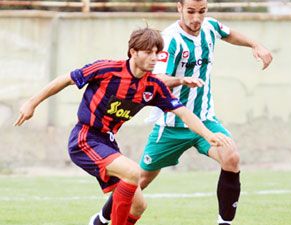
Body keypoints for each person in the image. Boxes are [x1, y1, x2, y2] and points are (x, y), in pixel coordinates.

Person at [14, 27, 229, 225]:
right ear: (133, 52)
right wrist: (32, 103)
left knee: (139, 205)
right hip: (85, 138)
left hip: (107, 142)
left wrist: (207, 133)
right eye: (149, 52)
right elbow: (66, 79)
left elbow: (183, 112)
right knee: (133, 172)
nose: (155, 58)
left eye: (157, 53)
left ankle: (98, 223)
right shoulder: (107, 69)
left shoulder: (153, 86)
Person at [96, 0, 273, 225]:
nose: (196, 18)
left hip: (205, 121)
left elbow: (228, 33)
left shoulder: (210, 27)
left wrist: (255, 45)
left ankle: (225, 223)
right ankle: (101, 219)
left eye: (202, 11)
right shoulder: (170, 40)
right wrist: (181, 80)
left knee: (231, 156)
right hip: (172, 125)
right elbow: (156, 80)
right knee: (139, 180)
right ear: (179, 7)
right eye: (190, 11)